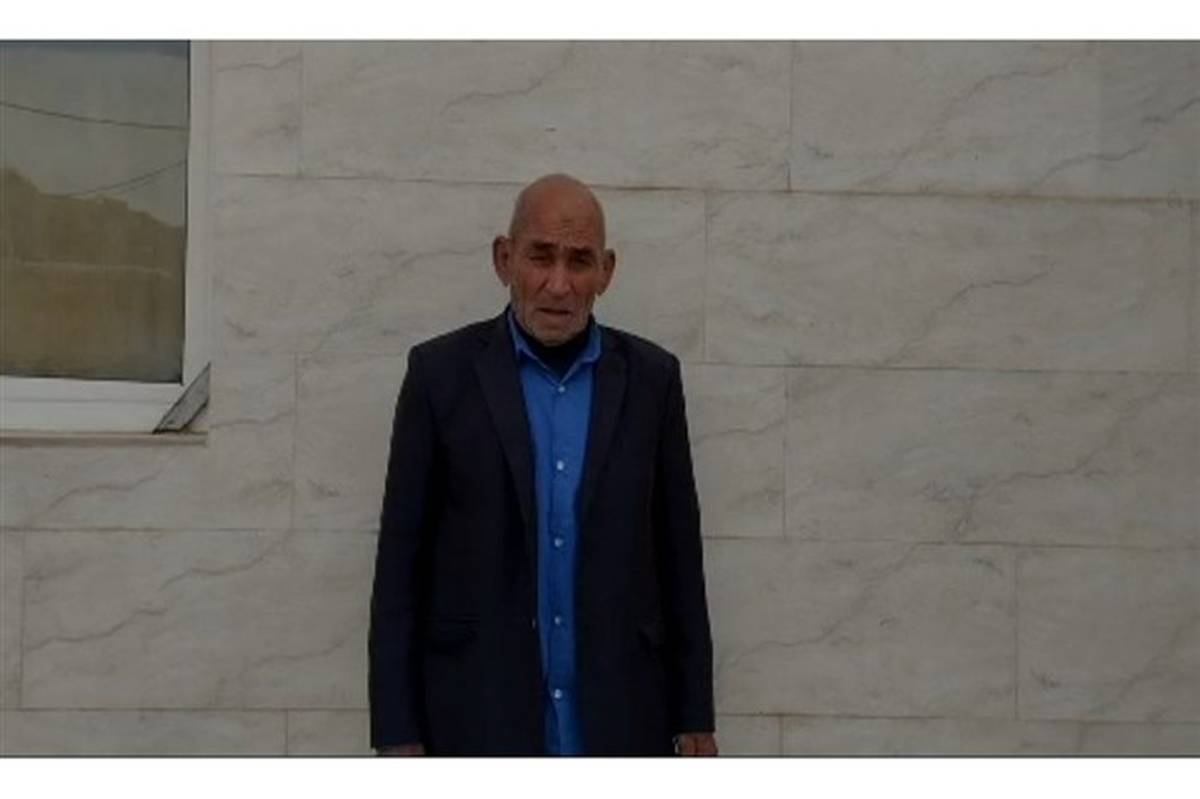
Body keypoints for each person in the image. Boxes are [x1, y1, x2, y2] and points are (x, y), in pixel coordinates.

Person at [368, 173, 717, 756]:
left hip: (620, 716)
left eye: (579, 261)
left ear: (606, 272)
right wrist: (398, 732)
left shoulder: (652, 382)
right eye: (541, 256)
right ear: (504, 259)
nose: (559, 284)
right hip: (476, 714)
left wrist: (695, 716)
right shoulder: (439, 377)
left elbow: (680, 559)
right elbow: (401, 567)